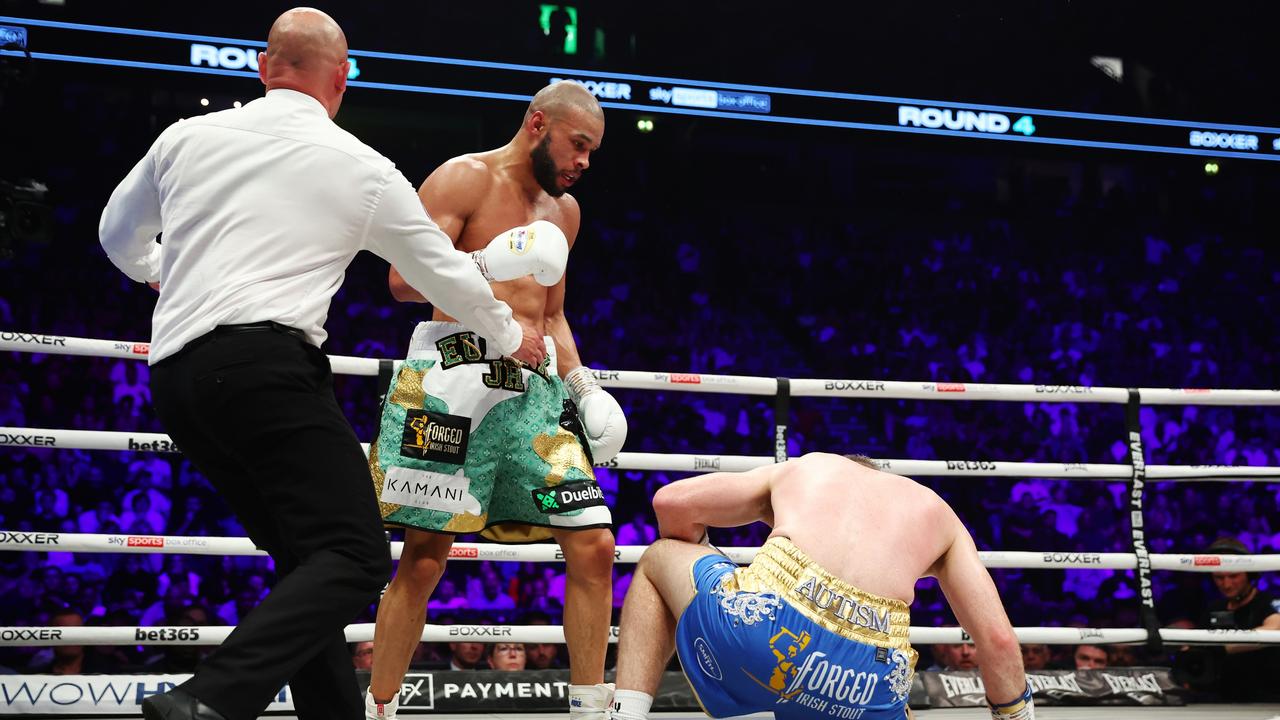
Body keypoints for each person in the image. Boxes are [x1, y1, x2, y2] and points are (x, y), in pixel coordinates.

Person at [99, 8, 543, 720]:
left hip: (176, 377)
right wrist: (506, 330)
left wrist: (159, 269)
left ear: (261, 66)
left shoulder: (185, 138)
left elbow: (116, 234)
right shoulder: (360, 167)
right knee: (358, 555)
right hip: (264, 371)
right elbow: (440, 271)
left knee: (310, 564)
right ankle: (206, 700)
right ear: (341, 80)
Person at [366, 80, 625, 720]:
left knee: (593, 542)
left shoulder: (564, 215)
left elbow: (555, 317)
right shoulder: (463, 180)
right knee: (425, 560)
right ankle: (380, 707)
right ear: (539, 124)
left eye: (592, 151)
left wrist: (585, 387)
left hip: (531, 396)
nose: (584, 163)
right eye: (579, 145)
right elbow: (402, 281)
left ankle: (592, 708)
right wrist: (490, 261)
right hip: (450, 379)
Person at [611, 453, 1032, 720]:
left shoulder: (809, 468)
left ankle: (624, 716)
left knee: (659, 556)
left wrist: (702, 556)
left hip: (767, 638)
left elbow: (671, 502)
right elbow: (996, 639)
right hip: (867, 679)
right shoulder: (939, 513)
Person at [1199, 536, 1280, 701]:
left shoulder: (1268, 602)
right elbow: (1199, 647)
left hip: (1266, 697)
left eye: (1233, 576)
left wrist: (1221, 648)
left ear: (1249, 575)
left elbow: (1275, 628)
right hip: (1223, 698)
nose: (1226, 584)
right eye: (1219, 578)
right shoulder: (1215, 608)